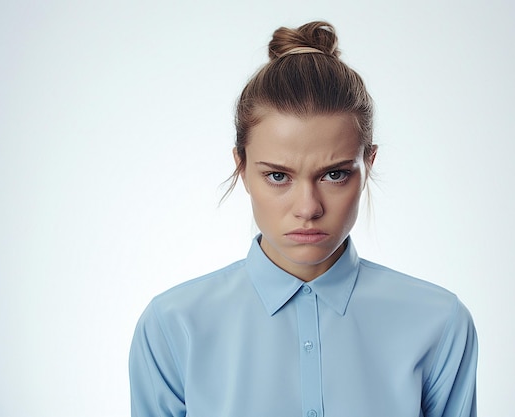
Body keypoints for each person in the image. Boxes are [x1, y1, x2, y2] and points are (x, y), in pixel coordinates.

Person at [129, 21, 478, 417]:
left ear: (368, 163)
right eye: (278, 176)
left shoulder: (439, 322)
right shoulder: (174, 327)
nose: (308, 208)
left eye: (334, 174)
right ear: (242, 168)